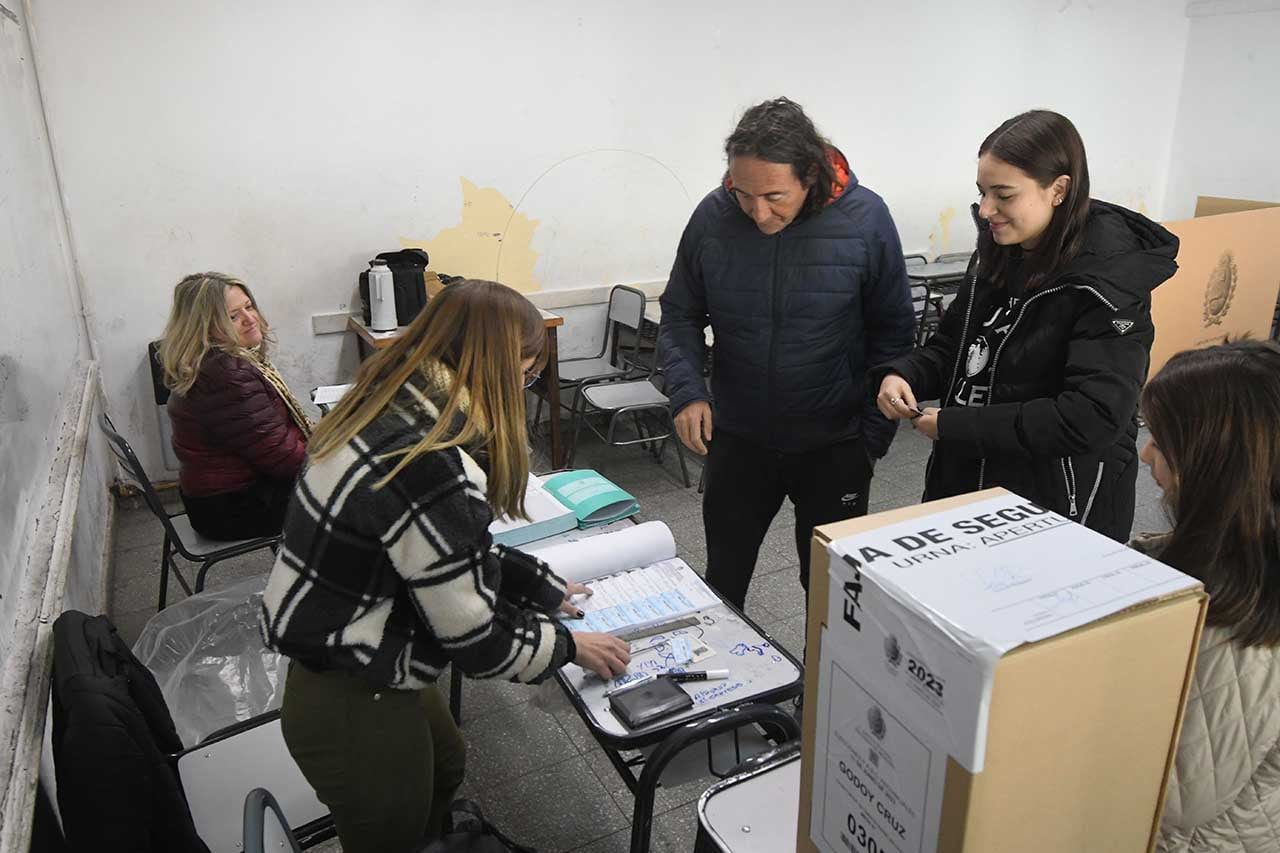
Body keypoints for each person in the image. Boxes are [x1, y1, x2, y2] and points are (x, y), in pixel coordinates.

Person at [260, 280, 631, 853]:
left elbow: (446, 551)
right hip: (352, 693)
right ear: (494, 368)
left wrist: (541, 586)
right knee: (396, 830)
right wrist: (569, 646)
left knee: (447, 765)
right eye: (527, 375)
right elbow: (476, 639)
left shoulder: (389, 403)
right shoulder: (426, 464)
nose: (527, 390)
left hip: (358, 655)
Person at [659, 97, 916, 611]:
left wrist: (869, 440)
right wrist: (688, 393)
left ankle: (820, 693)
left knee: (827, 591)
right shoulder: (714, 215)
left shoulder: (865, 219)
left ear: (811, 178)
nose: (757, 211)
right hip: (739, 441)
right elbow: (680, 314)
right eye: (744, 193)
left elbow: (894, 334)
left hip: (835, 443)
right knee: (723, 578)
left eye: (774, 196)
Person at [874, 110, 1179, 540]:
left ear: (1058, 189)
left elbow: (1091, 416)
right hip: (967, 477)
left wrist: (954, 426)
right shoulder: (998, 253)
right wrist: (903, 374)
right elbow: (954, 348)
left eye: (1004, 195)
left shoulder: (1108, 281)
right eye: (981, 192)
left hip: (1057, 500)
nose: (985, 210)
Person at [1133, 340, 1280, 852]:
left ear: (1215, 464)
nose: (1146, 452)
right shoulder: (1244, 556)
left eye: (1160, 439)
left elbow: (1172, 793)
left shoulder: (1237, 621)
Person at [159, 272, 310, 540]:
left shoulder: (213, 363)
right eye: (232, 317)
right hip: (234, 508)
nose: (250, 319)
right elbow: (286, 461)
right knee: (367, 489)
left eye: (249, 307)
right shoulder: (226, 375)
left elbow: (272, 437)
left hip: (218, 497)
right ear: (203, 327)